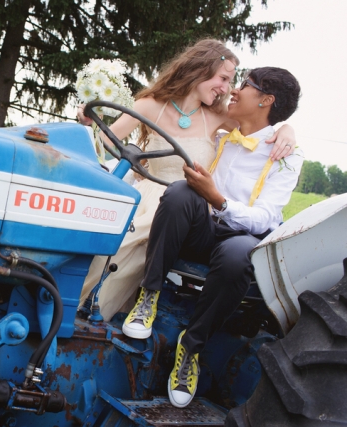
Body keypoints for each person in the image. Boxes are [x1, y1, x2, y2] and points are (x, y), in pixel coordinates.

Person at [77, 40, 296, 321]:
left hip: (186, 205)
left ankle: (97, 311)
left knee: (144, 230)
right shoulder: (149, 105)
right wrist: (90, 122)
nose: (227, 89)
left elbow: (260, 128)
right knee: (109, 228)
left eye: (231, 82)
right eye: (224, 78)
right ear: (200, 69)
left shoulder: (218, 116)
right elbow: (106, 140)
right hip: (145, 193)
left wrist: (287, 129)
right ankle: (74, 299)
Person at [122, 66, 302, 408]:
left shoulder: (287, 154)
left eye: (244, 85)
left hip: (241, 238)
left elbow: (265, 218)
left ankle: (191, 347)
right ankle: (149, 295)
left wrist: (217, 199)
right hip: (203, 229)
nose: (234, 90)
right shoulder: (224, 132)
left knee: (239, 252)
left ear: (265, 100)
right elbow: (180, 106)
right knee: (178, 192)